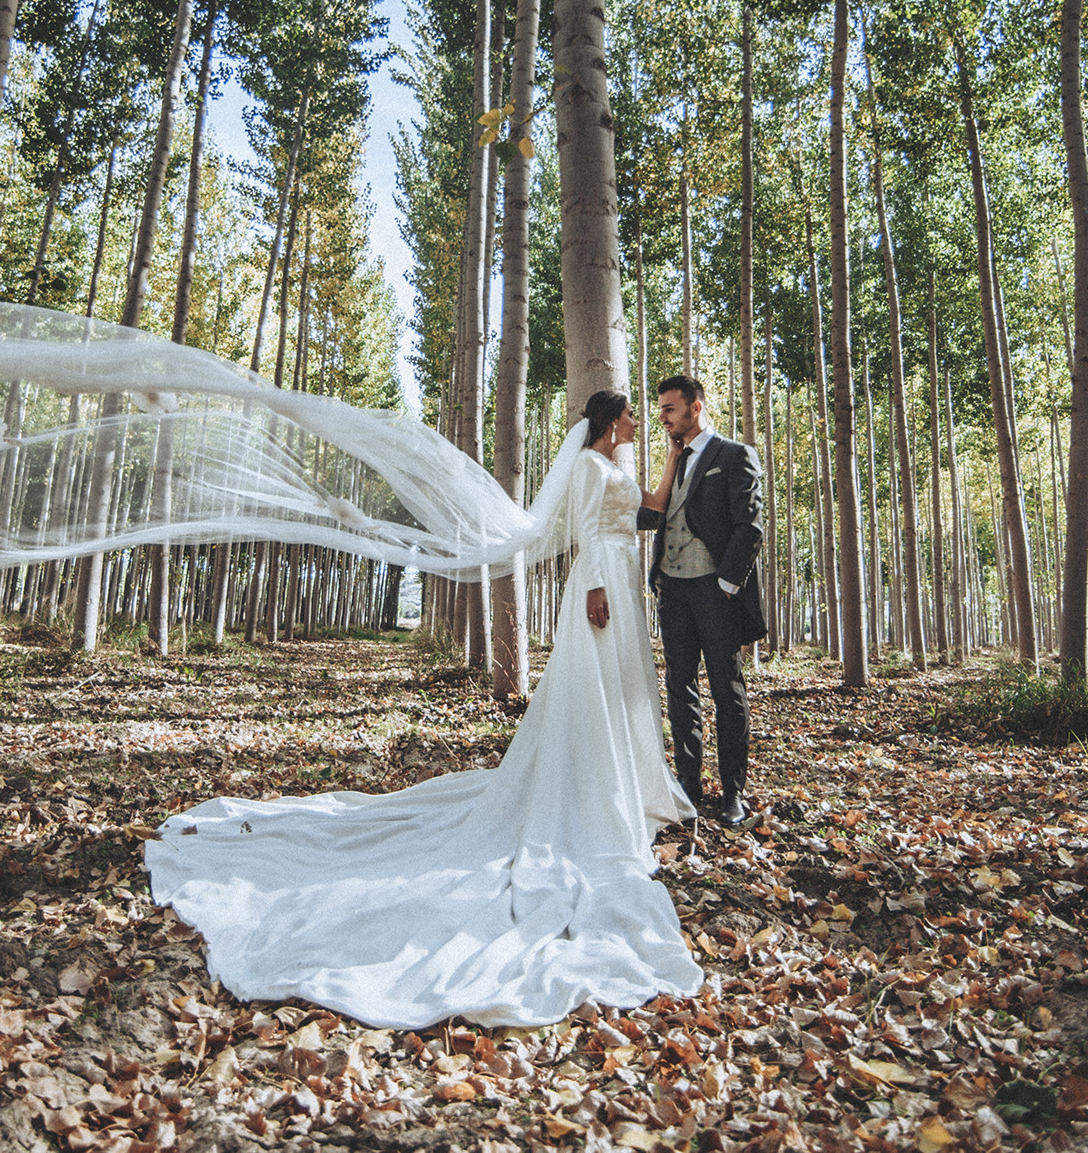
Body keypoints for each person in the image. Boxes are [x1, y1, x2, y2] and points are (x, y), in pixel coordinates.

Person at [144, 391, 703, 1028]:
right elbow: (581, 530)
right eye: (631, 414)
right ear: (609, 419)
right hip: (602, 576)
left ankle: (629, 780)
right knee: (595, 686)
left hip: (627, 575)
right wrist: (597, 586)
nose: (638, 422)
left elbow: (650, 510)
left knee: (627, 684)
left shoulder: (621, 466)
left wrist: (674, 460)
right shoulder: (585, 467)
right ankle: (594, 787)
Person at [639, 375, 767, 827]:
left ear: (696, 407)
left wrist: (726, 586)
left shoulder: (733, 455)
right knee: (679, 687)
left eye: (670, 409)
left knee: (726, 690)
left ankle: (733, 791)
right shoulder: (674, 458)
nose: (663, 418)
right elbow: (660, 515)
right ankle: (689, 787)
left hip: (715, 590)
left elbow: (749, 527)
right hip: (672, 590)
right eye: (660, 411)